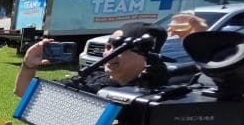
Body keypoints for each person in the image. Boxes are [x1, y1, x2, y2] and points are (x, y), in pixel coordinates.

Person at [15, 22, 168, 97]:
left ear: (144, 53)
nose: (109, 53)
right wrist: (28, 65)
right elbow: (25, 93)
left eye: (119, 47)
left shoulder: (162, 91)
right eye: (108, 47)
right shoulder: (92, 81)